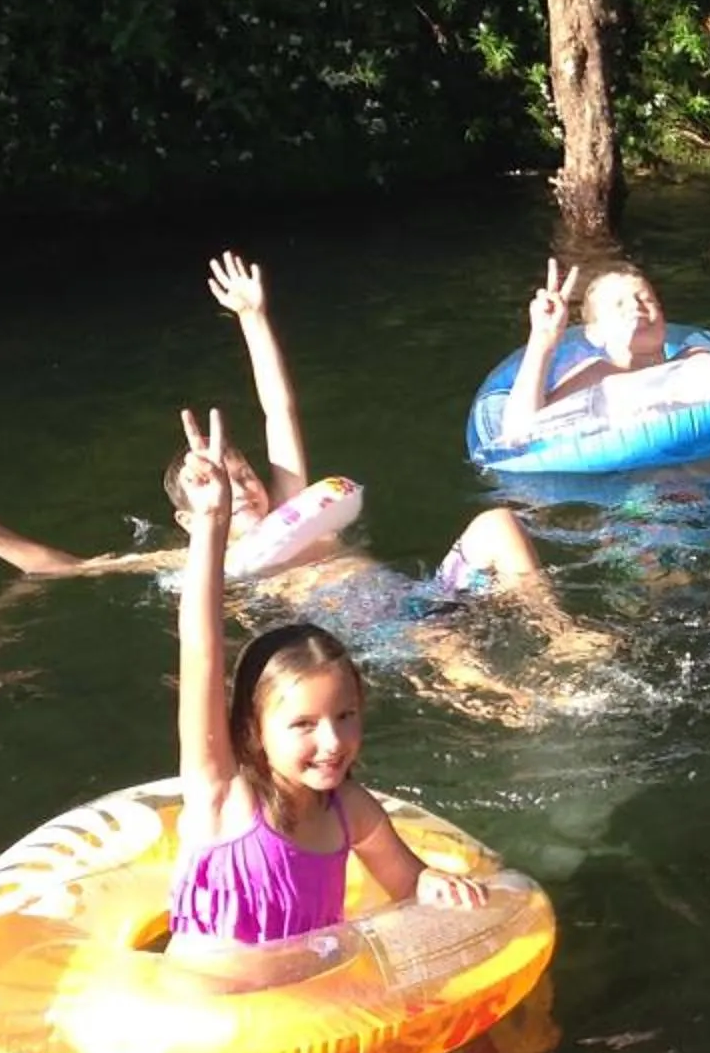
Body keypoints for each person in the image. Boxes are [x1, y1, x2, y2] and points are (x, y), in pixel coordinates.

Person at [0, 250, 553, 595]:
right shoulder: (200, 562)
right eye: (222, 483)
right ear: (188, 520)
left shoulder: (291, 506)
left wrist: (252, 318)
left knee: (497, 524)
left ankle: (555, 634)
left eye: (245, 474)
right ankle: (511, 706)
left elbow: (280, 409)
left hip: (424, 600)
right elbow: (69, 568)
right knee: (451, 659)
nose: (243, 487)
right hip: (361, 645)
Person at [167, 409, 487, 961]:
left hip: (317, 1023)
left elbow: (408, 882)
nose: (334, 742)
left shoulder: (349, 809)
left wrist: (433, 883)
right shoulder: (222, 796)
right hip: (212, 1027)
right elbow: (201, 648)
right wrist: (213, 523)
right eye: (303, 725)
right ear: (251, 728)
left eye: (345, 716)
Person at [504, 242, 710, 430]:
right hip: (648, 503)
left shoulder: (697, 359)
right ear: (595, 334)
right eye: (619, 304)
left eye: (646, 299)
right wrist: (542, 341)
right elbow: (519, 433)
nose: (635, 306)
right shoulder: (598, 376)